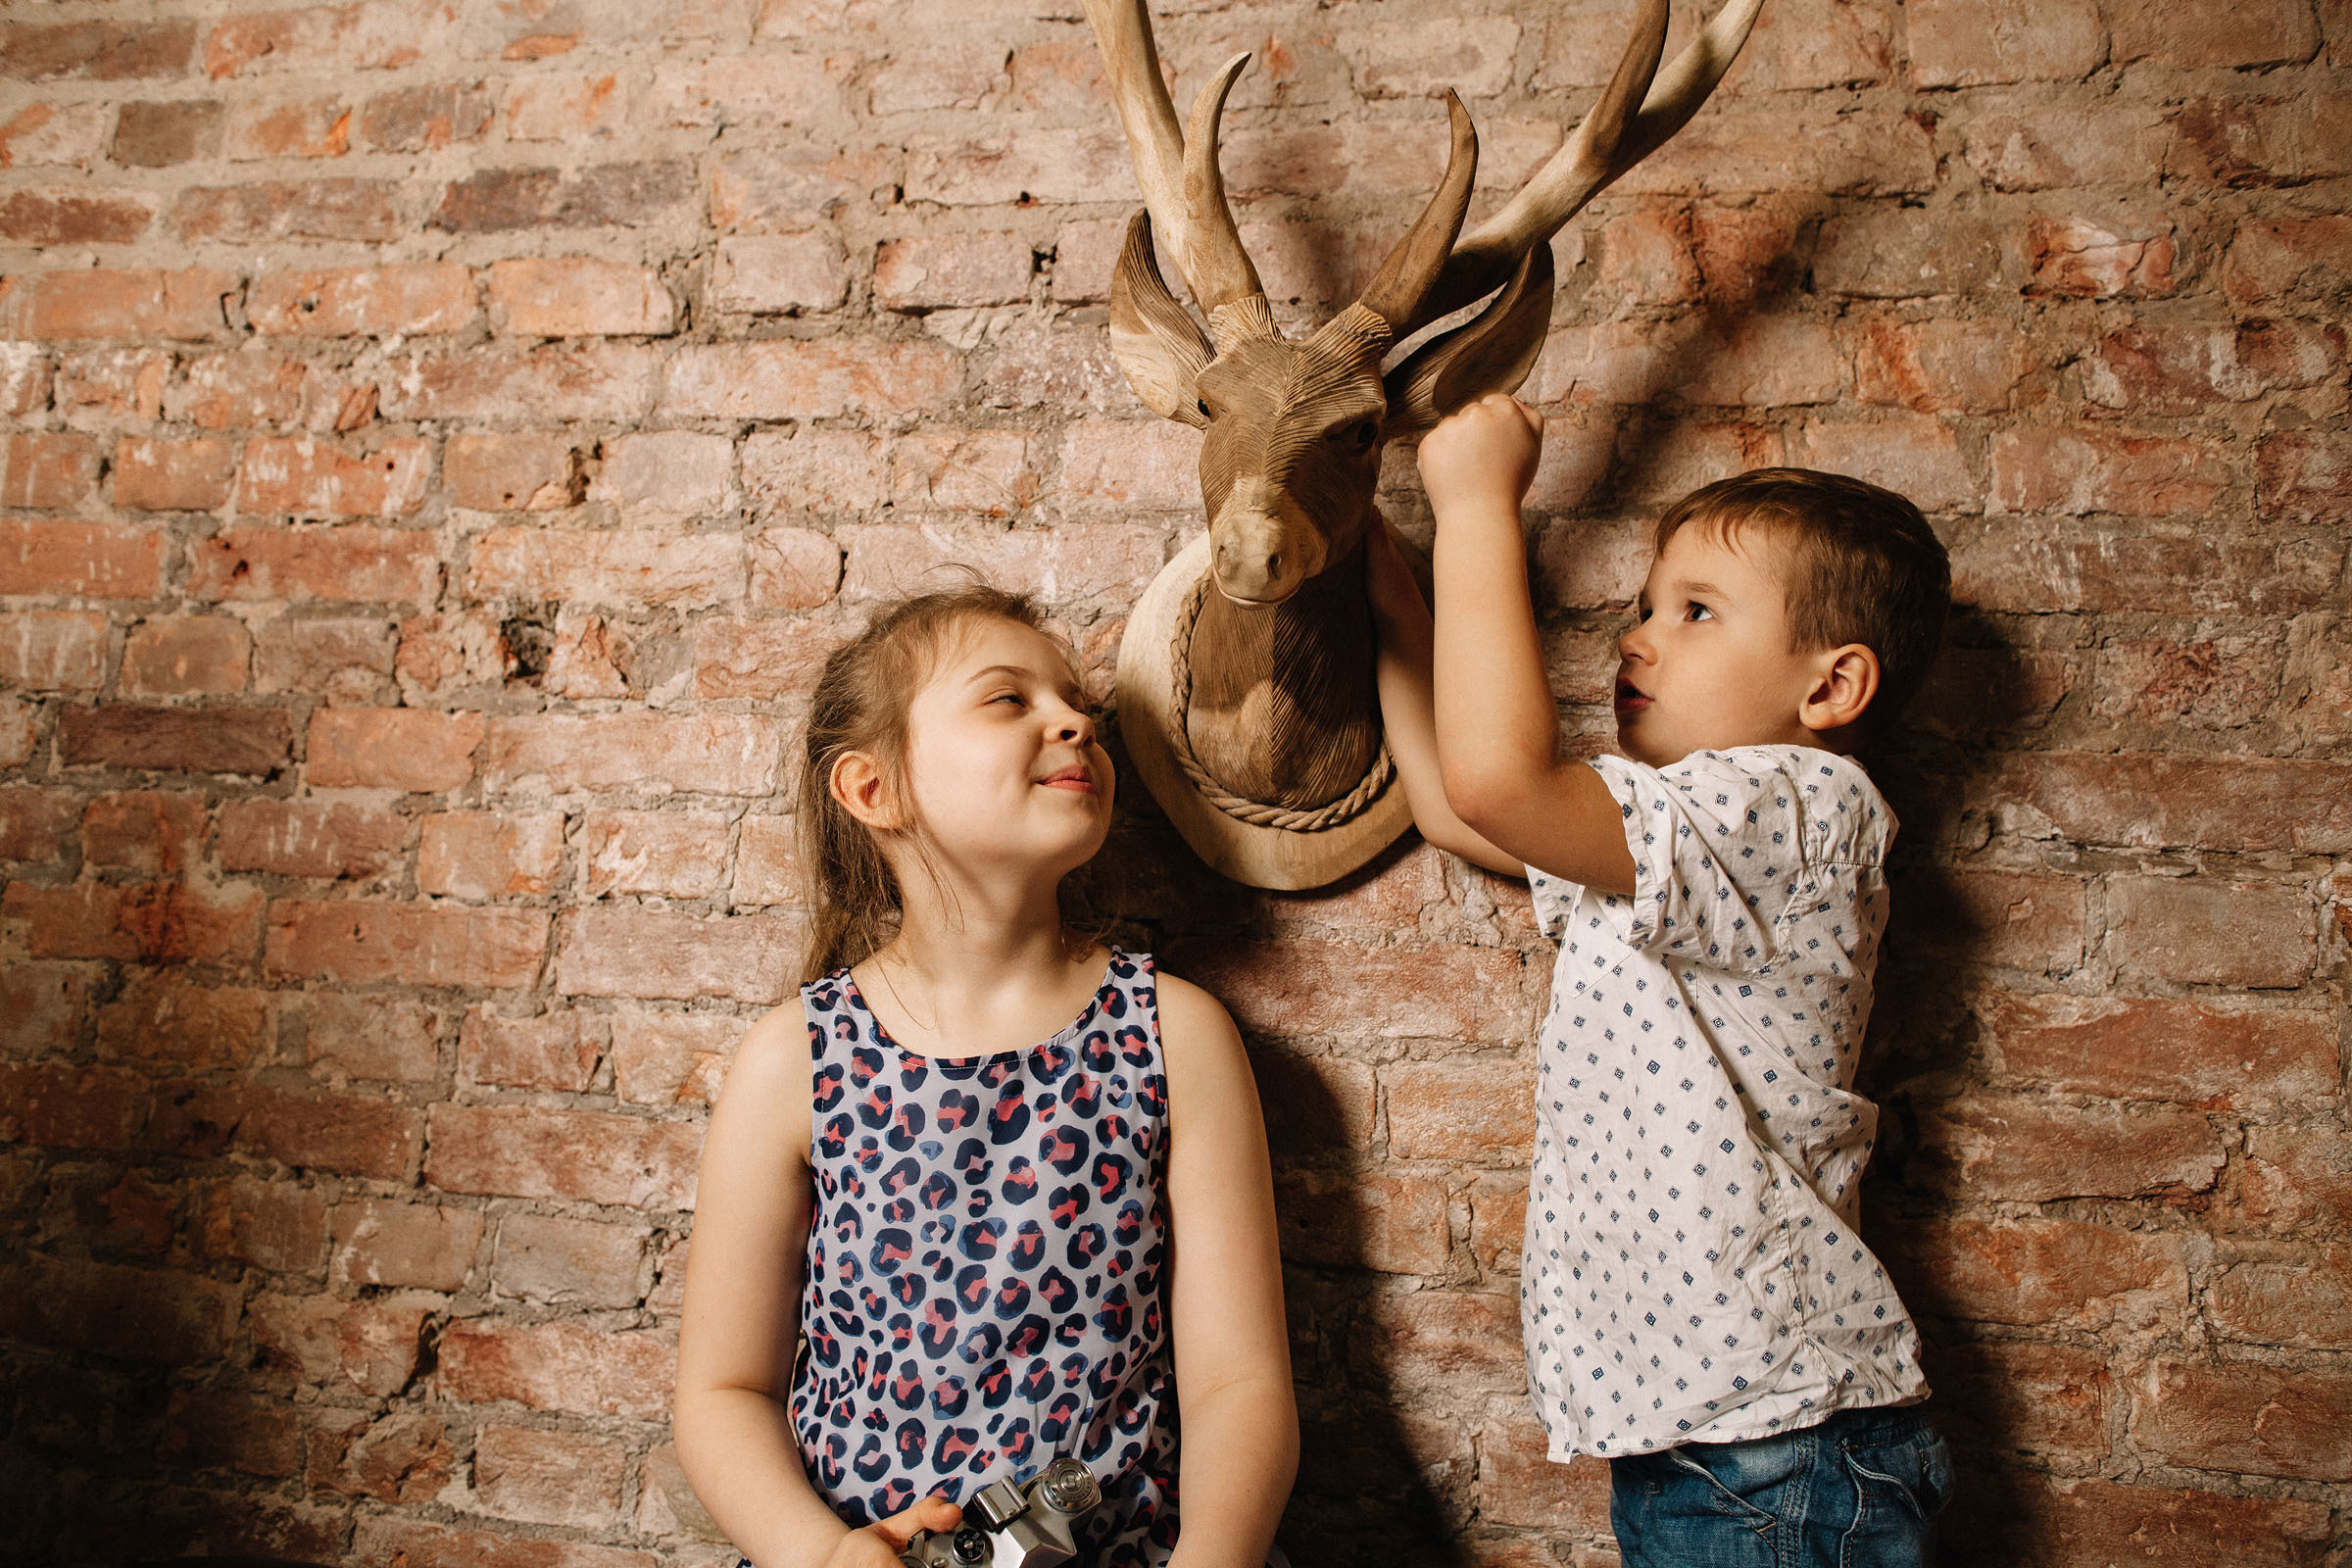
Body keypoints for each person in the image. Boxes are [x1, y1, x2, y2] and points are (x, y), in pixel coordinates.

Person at [1368, 394, 1954, 1566]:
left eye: (1694, 611)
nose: (1638, 636)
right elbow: (1449, 800)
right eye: (1645, 606)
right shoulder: (1667, 839)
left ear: (1831, 690)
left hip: (1777, 1452)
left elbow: (1494, 782)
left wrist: (1478, 499)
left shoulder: (1791, 805)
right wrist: (1376, 572)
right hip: (1721, 1442)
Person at [675, 583, 1297, 1568]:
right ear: (874, 789)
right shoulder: (791, 1061)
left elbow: (1239, 1384)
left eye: (1080, 706)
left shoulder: (1177, 1036)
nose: (1074, 723)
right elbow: (722, 1393)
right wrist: (827, 1555)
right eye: (1009, 700)